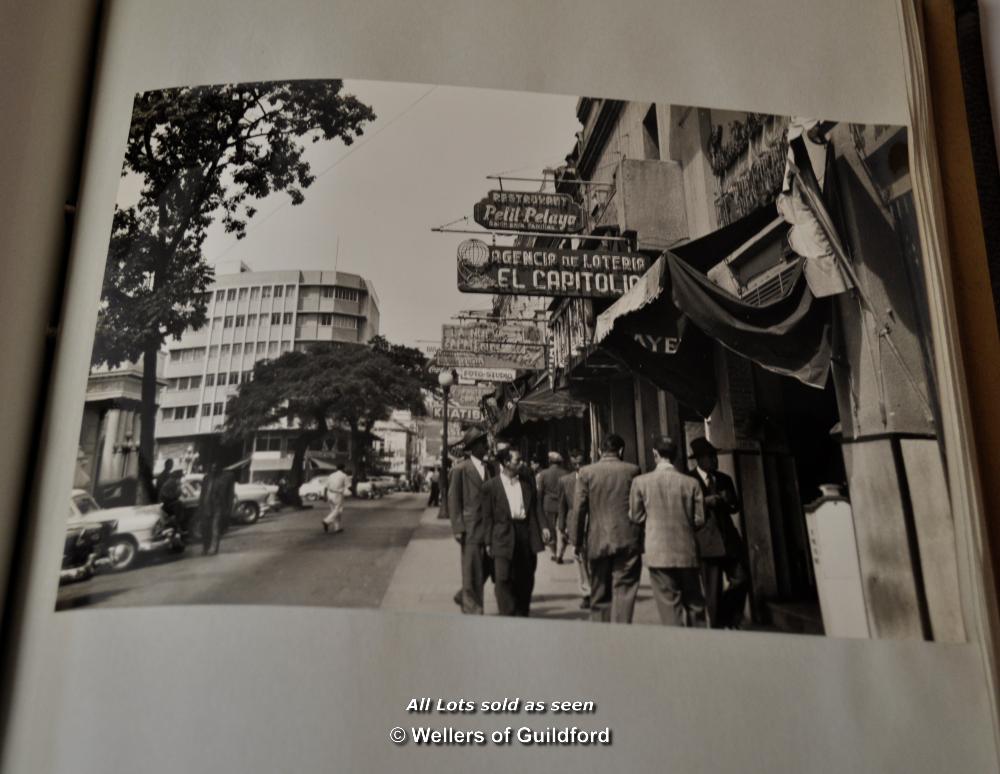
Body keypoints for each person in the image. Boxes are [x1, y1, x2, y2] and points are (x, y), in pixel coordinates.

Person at [630, 435, 707, 627]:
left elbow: (635, 516)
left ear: (655, 454)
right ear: (676, 455)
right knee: (695, 606)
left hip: (658, 552)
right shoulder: (691, 483)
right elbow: (699, 519)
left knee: (669, 608)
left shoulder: (640, 482)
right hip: (686, 551)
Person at [569, 434, 642, 623]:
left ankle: (602, 634)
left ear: (600, 451)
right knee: (624, 591)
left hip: (598, 540)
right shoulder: (633, 470)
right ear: (621, 451)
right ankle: (622, 634)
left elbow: (579, 510)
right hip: (627, 539)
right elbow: (639, 508)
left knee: (599, 592)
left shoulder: (586, 473)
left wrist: (576, 542)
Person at [482, 448, 551, 616]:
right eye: (517, 460)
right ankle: (507, 613)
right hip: (502, 534)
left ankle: (522, 613)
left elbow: (536, 507)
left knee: (526, 578)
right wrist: (488, 541)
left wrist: (544, 526)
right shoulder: (491, 487)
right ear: (506, 462)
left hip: (525, 534)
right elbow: (487, 516)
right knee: (503, 578)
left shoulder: (527, 483)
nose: (521, 463)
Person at [689, 437, 749, 629]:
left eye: (714, 456)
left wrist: (728, 499)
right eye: (710, 456)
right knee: (712, 592)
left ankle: (728, 618)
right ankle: (716, 629)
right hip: (706, 543)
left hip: (729, 540)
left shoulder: (724, 479)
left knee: (741, 579)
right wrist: (705, 502)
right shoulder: (689, 480)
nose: (715, 460)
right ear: (699, 460)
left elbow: (735, 507)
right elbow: (685, 510)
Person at [448, 427, 494, 615]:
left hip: (488, 527)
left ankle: (464, 595)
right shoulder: (460, 469)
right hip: (470, 527)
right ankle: (472, 609)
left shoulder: (490, 467)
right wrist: (458, 527)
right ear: (474, 447)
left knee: (488, 566)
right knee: (471, 569)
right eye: (483, 442)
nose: (487, 445)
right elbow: (453, 499)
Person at [559, 449, 590, 609]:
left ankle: (596, 589)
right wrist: (561, 526)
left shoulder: (593, 476)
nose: (578, 466)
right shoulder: (565, 481)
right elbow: (562, 504)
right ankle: (586, 592)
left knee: (591, 558)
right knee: (579, 558)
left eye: (580, 463)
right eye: (575, 464)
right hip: (574, 523)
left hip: (592, 523)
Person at [537, 451, 570, 563]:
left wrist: (539, 505)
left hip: (548, 505)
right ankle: (560, 553)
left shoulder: (543, 474)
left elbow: (540, 493)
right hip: (562, 505)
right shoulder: (566, 473)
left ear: (549, 461)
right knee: (561, 529)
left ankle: (554, 552)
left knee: (551, 530)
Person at [197, 462, 235, 555]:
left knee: (215, 528)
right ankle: (205, 548)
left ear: (220, 469)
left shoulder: (225, 479)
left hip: (218, 506)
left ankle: (213, 548)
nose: (213, 470)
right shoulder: (206, 478)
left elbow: (230, 495)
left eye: (216, 468)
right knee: (206, 528)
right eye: (212, 468)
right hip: (206, 506)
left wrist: (228, 509)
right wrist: (200, 506)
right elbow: (202, 494)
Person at [322, 462, 348, 534]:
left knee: (334, 511)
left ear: (336, 468)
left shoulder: (331, 475)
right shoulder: (344, 476)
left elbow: (326, 486)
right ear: (343, 468)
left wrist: (324, 495)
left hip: (329, 493)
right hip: (338, 494)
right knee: (338, 510)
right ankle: (326, 521)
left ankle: (337, 528)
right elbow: (348, 486)